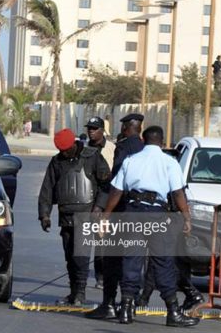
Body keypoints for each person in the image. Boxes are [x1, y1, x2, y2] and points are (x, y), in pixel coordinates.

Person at [102, 126, 199, 327]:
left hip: (133, 212)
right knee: (163, 262)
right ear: (162, 142)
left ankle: (126, 309)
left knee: (131, 259)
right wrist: (187, 218)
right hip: (157, 214)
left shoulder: (131, 161)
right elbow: (178, 193)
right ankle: (173, 312)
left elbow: (116, 192)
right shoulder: (169, 163)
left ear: (144, 141)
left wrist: (105, 217)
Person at [38, 128, 111, 306]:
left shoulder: (92, 157)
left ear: (73, 144)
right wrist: (44, 215)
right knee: (69, 256)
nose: (64, 153)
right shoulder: (56, 162)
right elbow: (47, 189)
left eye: (67, 149)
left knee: (81, 256)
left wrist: (99, 207)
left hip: (86, 214)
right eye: (61, 150)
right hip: (66, 216)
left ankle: (80, 293)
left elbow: (106, 185)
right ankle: (73, 293)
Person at [86, 113, 144, 320]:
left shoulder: (124, 147)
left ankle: (109, 304)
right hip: (140, 212)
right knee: (133, 261)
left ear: (128, 127)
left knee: (112, 259)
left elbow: (117, 181)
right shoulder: (144, 149)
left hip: (120, 210)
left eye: (123, 126)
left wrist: (103, 209)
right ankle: (130, 304)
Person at [85, 116, 116, 290]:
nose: (91, 131)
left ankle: (101, 276)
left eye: (95, 128)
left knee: (101, 242)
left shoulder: (111, 149)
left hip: (104, 201)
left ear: (102, 131)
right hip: (86, 200)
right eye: (89, 128)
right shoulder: (84, 149)